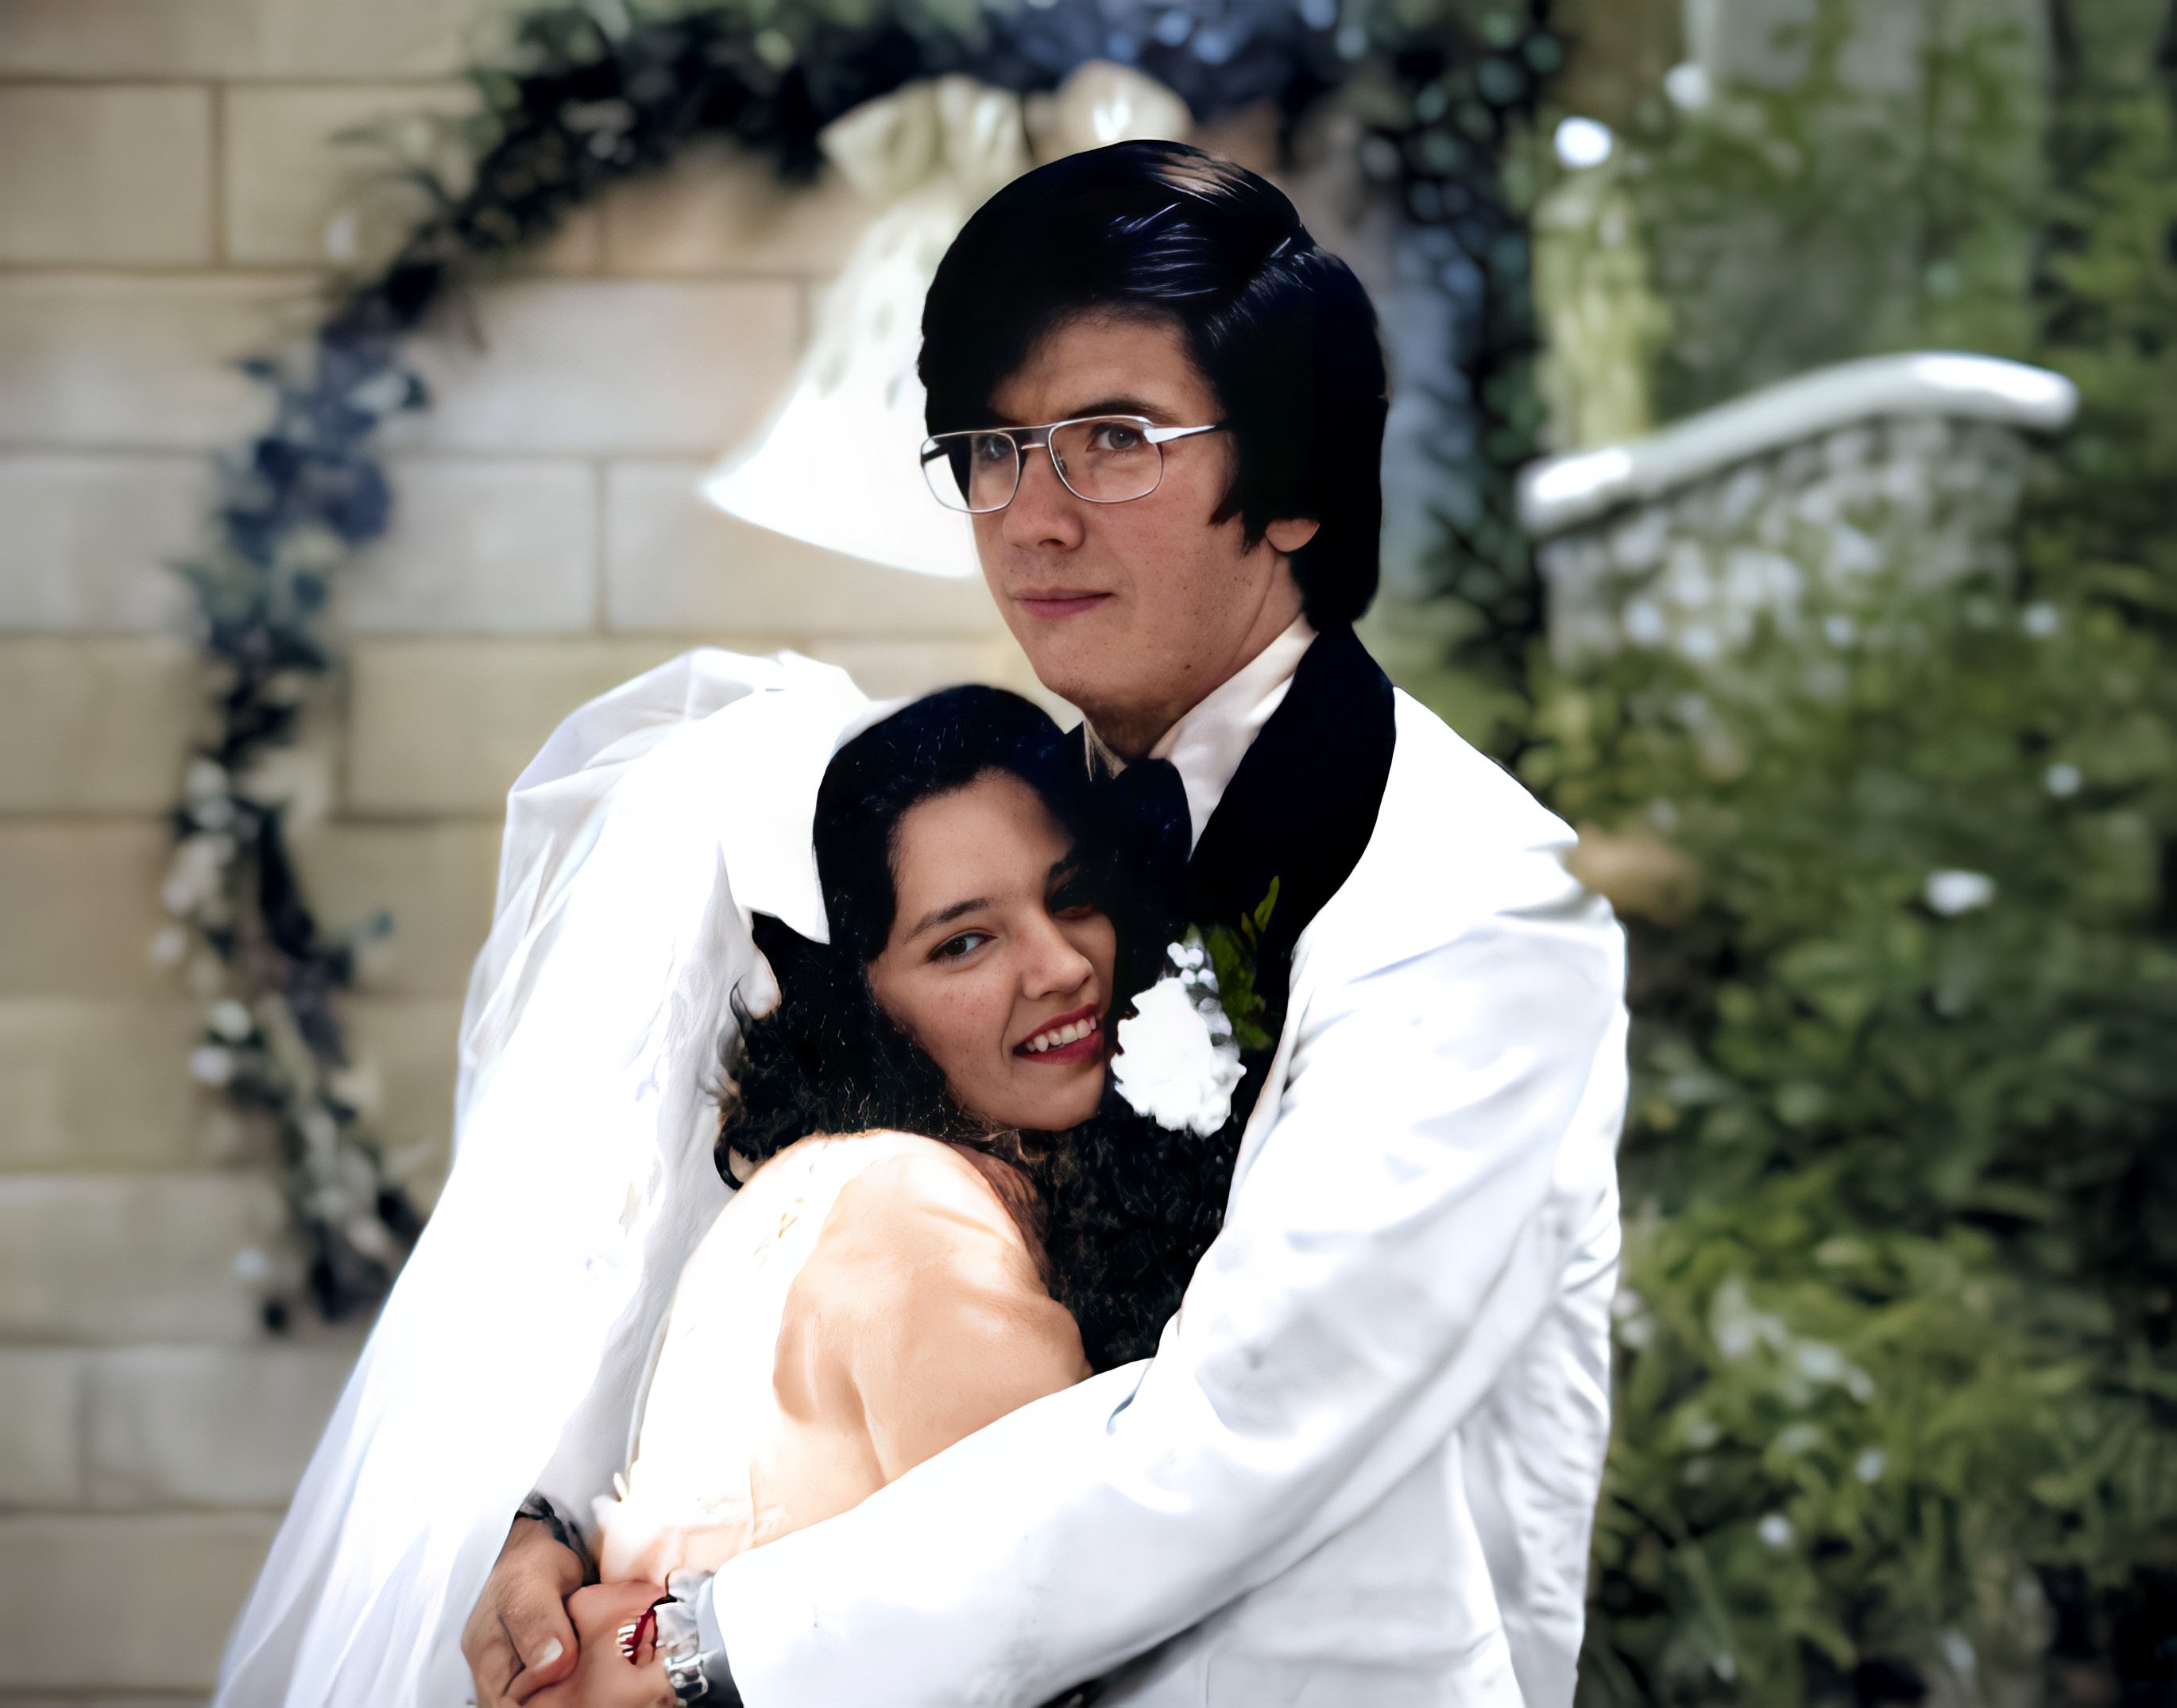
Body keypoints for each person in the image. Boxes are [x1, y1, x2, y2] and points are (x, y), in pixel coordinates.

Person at [466, 141, 1627, 1707]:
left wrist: (700, 1647)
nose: (1031, 520)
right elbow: (734, 1183)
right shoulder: (1008, 836)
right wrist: (554, 1518)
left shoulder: (1467, 901)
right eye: (992, 450)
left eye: (1113, 440)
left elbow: (1233, 1437)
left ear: (1290, 481)